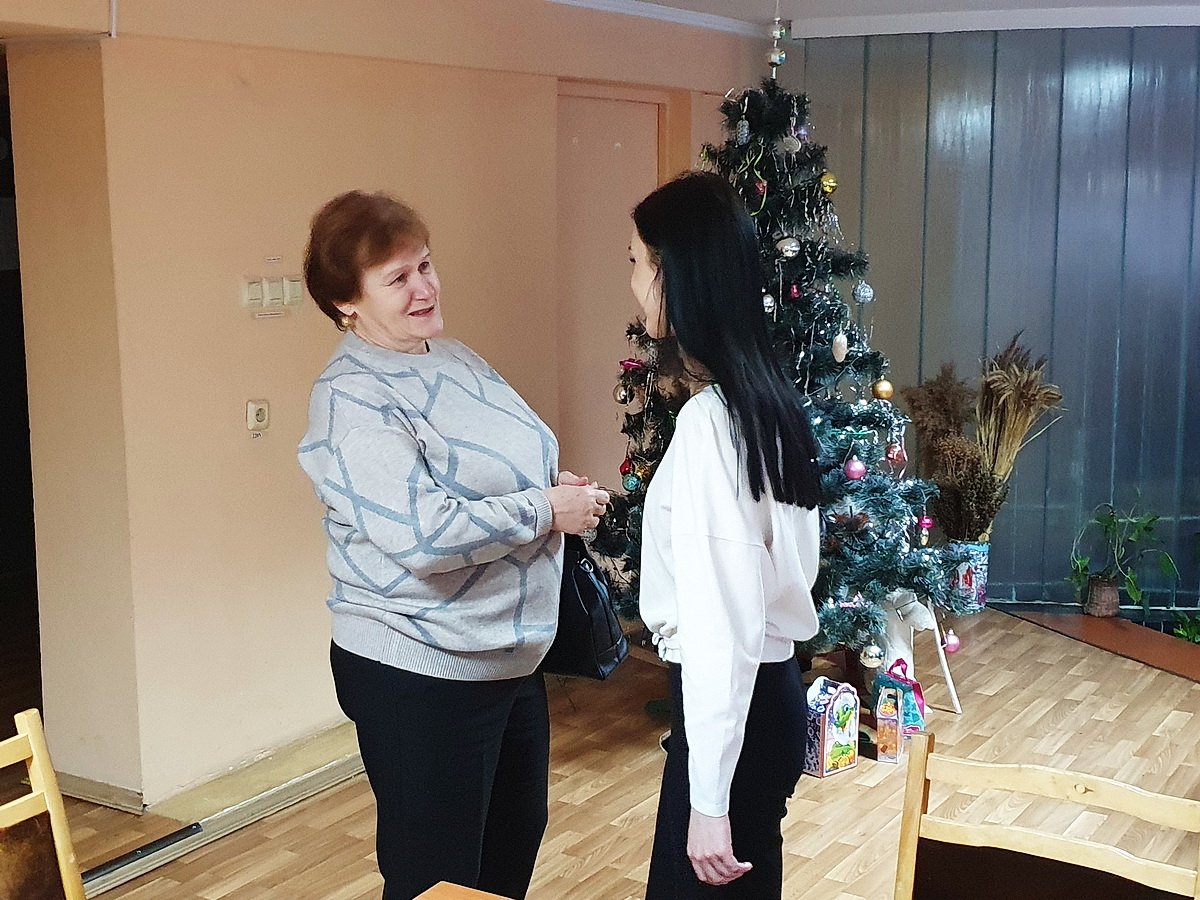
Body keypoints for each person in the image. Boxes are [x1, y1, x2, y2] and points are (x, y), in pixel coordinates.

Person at [297, 190, 609, 899]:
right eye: (397, 278)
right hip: (419, 668)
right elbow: (425, 534)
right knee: (436, 880)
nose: (424, 288)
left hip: (507, 658)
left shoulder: (456, 358)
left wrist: (550, 488)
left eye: (426, 265)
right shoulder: (350, 399)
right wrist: (543, 508)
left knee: (507, 856)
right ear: (346, 302)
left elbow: (502, 464)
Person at [629, 171, 822, 899]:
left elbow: (722, 624)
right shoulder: (767, 398)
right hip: (768, 698)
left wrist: (708, 800)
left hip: (734, 712)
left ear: (673, 278)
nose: (632, 283)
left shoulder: (712, 423)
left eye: (636, 263)